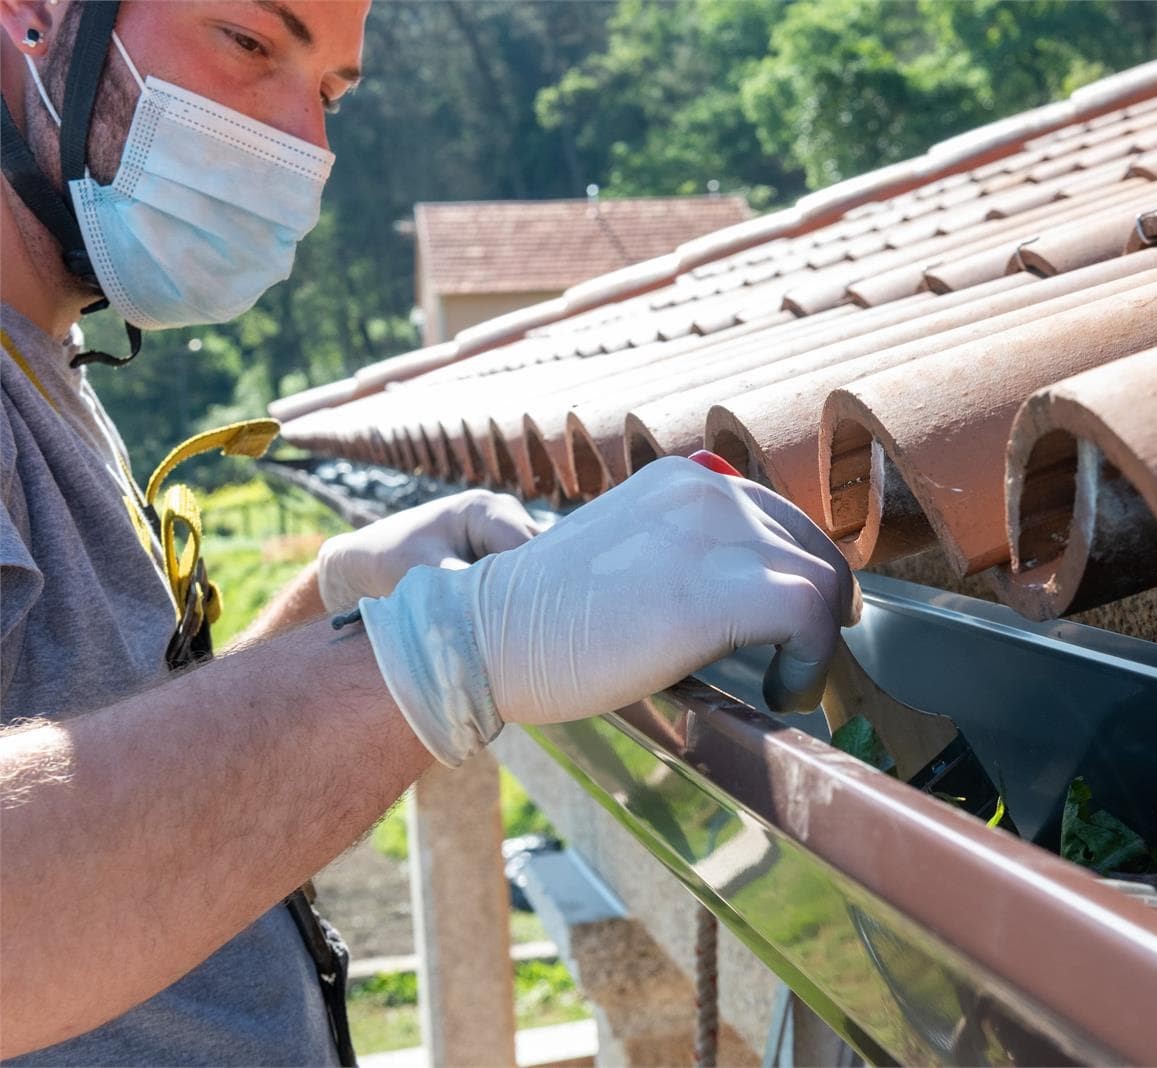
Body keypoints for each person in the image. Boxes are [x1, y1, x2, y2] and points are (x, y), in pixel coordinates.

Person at [0, 1, 856, 1061]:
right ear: (36, 17)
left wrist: (331, 615)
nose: (301, 146)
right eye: (251, 44)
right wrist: (442, 654)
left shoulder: (46, 364)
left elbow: (91, 775)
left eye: (329, 95)